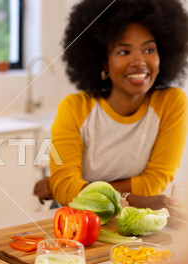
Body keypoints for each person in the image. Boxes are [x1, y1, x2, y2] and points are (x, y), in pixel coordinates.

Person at [34, 0, 188, 210]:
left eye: (149, 50)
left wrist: (75, 189)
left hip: (136, 217)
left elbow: (154, 182)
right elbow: (65, 189)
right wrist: (132, 198)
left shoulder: (172, 103)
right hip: (78, 217)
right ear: (104, 62)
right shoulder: (74, 108)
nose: (139, 61)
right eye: (124, 52)